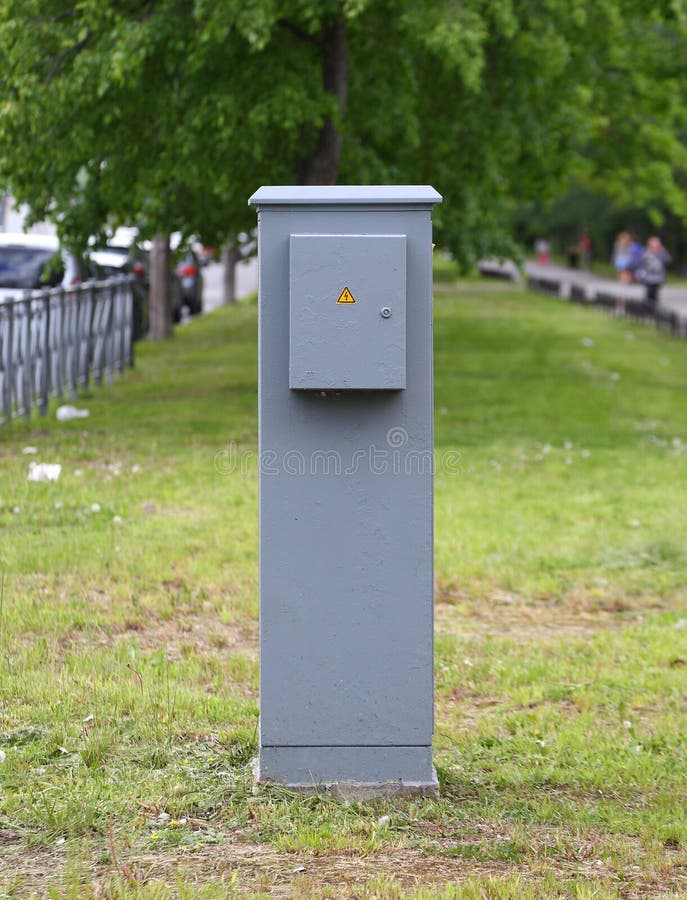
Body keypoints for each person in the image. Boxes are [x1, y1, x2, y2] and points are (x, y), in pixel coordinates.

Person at [637, 236, 671, 309]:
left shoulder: (662, 253)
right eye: (653, 246)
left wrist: (662, 251)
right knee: (649, 292)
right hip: (648, 277)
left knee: (655, 293)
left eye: (656, 246)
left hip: (658, 277)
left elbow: (668, 260)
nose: (654, 248)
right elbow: (641, 264)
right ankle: (647, 306)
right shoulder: (646, 253)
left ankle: (654, 307)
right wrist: (640, 274)